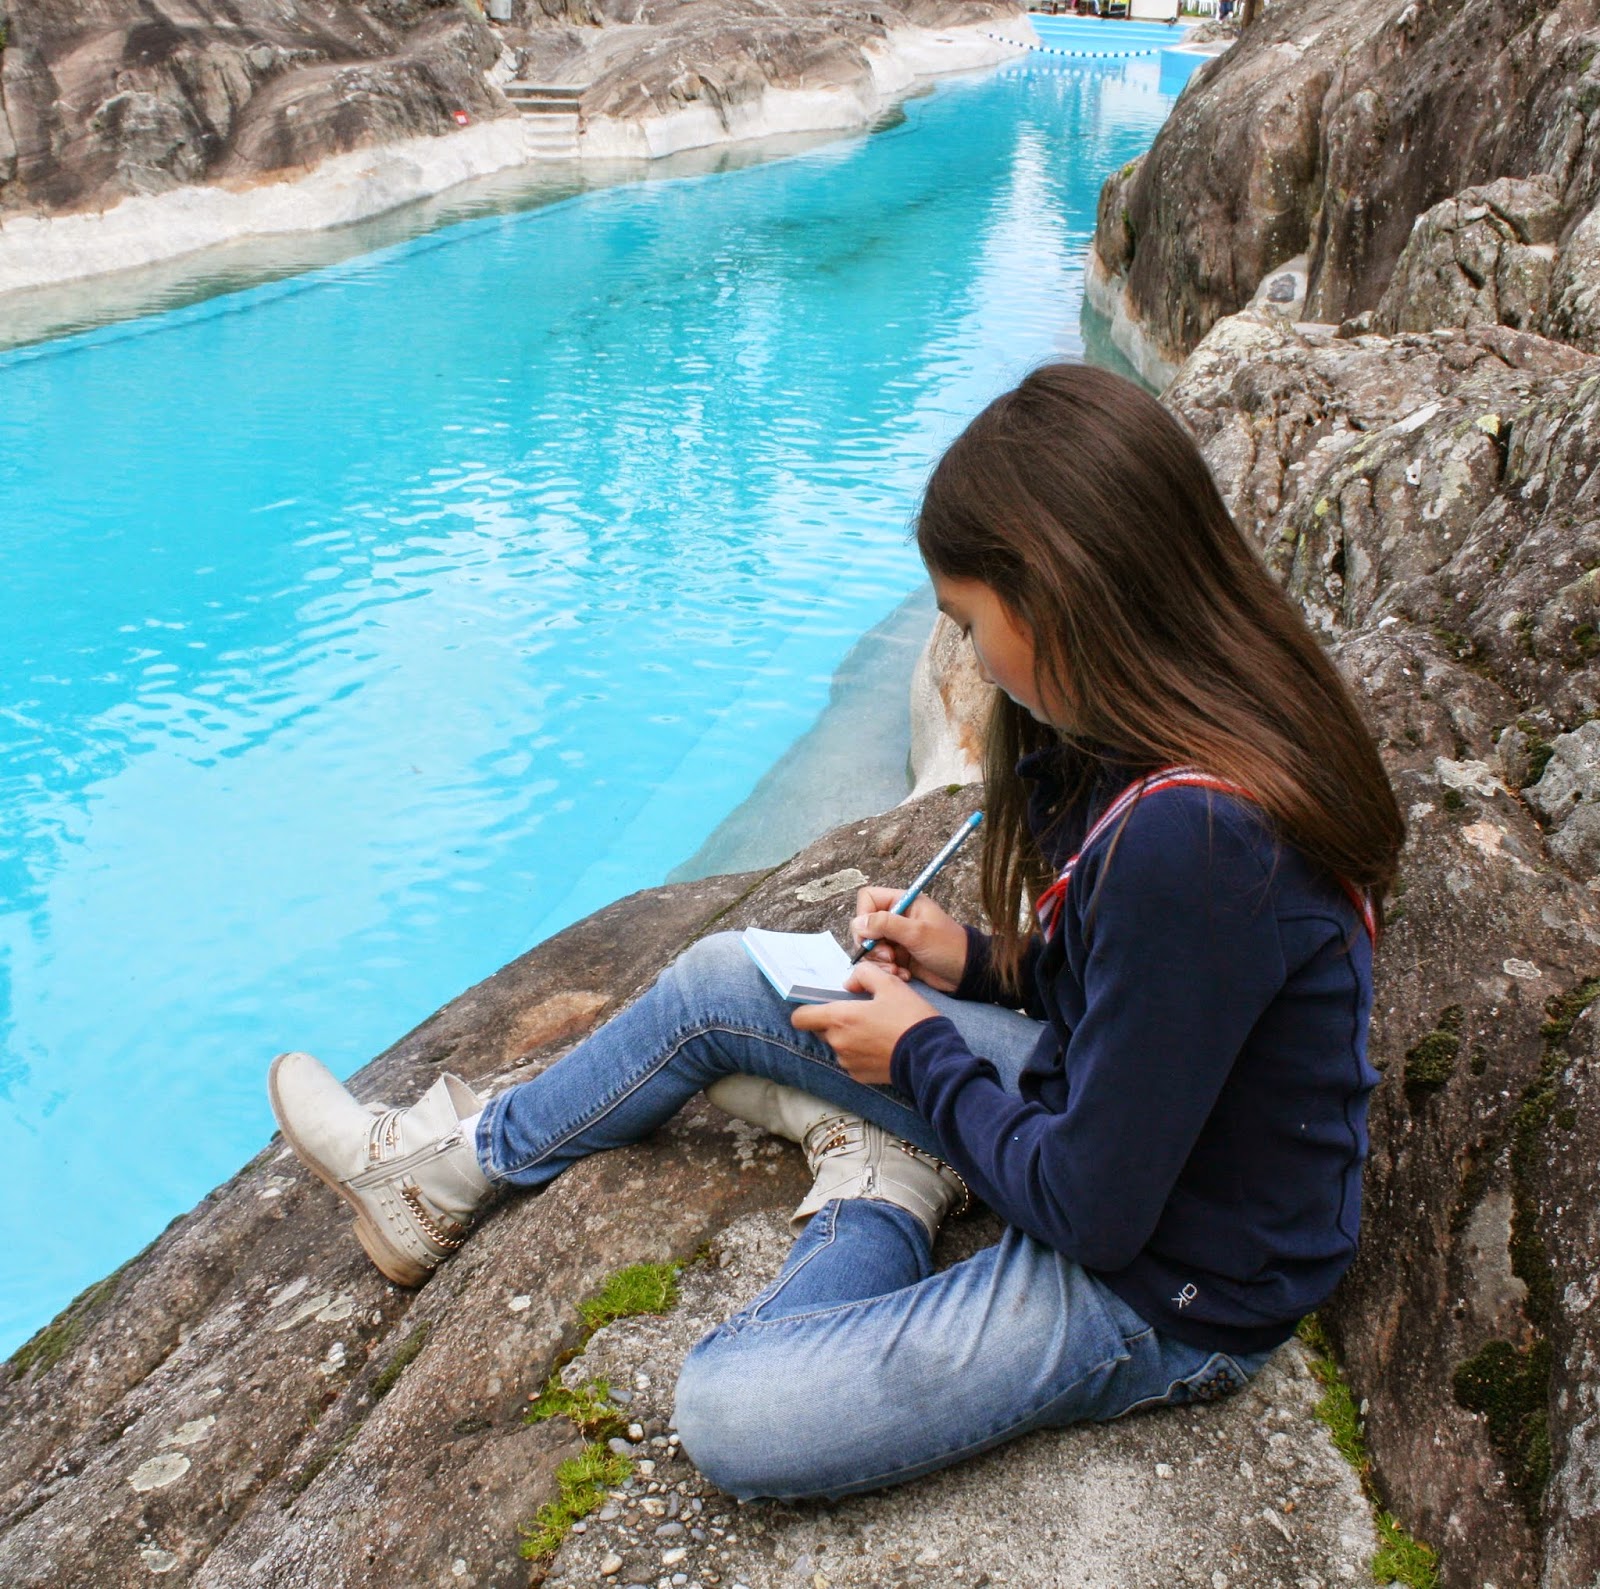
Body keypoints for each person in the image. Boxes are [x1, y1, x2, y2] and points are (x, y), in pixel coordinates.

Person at [268, 362, 1403, 1501]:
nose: (964, 655)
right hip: (1116, 1122)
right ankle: (449, 1171)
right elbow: (1141, 994)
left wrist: (922, 1055)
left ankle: (886, 1189)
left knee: (735, 1411)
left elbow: (1094, 1210)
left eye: (966, 621)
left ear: (1058, 598)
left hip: (1169, 1280)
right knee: (726, 975)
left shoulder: (1199, 840)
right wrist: (977, 962)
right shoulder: (1183, 725)